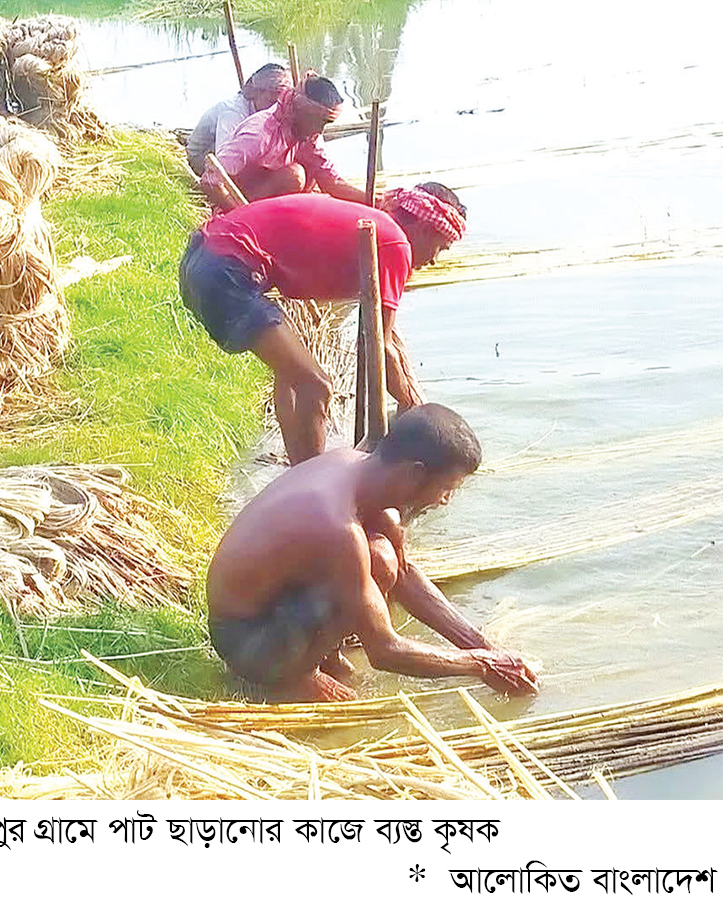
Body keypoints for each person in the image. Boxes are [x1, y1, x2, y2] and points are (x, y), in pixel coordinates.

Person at [207, 403, 540, 703]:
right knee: (367, 563)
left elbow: (404, 576)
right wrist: (481, 666)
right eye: (445, 488)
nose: (444, 500)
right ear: (415, 473)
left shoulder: (356, 468)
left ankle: (320, 657)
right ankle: (293, 678)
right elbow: (385, 651)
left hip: (270, 606)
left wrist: (483, 647)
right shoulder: (337, 527)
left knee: (382, 554)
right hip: (246, 641)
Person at [178, 183, 468, 465]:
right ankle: (313, 485)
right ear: (425, 229)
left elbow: (385, 338)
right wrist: (412, 407)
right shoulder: (395, 244)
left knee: (292, 379)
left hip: (201, 257)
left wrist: (406, 389)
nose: (434, 261)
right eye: (441, 247)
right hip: (225, 270)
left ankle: (299, 471)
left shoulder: (377, 227)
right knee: (315, 386)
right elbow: (376, 343)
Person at [200, 73, 366, 210]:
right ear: (302, 110)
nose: (320, 131)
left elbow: (332, 182)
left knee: (312, 172)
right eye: (319, 122)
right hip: (243, 203)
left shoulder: (309, 136)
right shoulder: (259, 134)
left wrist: (374, 200)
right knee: (295, 175)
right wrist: (240, 212)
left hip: (267, 201)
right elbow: (211, 180)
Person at [185, 64, 293, 177]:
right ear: (257, 92)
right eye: (272, 102)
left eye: (280, 103)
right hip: (202, 159)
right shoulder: (233, 113)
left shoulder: (262, 110)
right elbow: (223, 159)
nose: (275, 108)